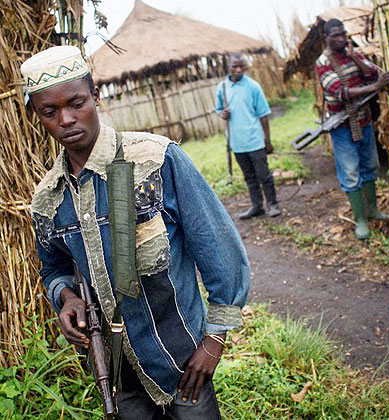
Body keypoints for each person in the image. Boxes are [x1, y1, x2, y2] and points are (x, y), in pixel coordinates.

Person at [21, 46, 250, 419]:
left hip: (184, 362)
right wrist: (65, 296)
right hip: (118, 374)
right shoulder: (48, 199)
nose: (66, 119)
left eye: (76, 103)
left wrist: (215, 339)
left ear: (95, 97)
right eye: (50, 112)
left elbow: (217, 248)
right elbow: (53, 268)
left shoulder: (154, 160)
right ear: (38, 117)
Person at [316, 19, 389, 239]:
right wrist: (374, 87)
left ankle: (372, 210)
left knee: (370, 165)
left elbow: (373, 73)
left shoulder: (353, 54)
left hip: (363, 121)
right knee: (350, 172)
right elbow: (341, 92)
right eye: (335, 36)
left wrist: (354, 59)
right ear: (326, 38)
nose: (341, 39)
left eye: (343, 34)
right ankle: (360, 220)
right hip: (342, 125)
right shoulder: (323, 62)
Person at [215, 52, 280, 220]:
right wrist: (223, 114)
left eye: (241, 66)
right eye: (234, 66)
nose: (238, 69)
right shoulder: (222, 88)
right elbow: (219, 110)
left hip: (254, 140)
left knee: (264, 175)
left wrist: (267, 140)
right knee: (249, 177)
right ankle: (257, 206)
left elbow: (263, 115)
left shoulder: (253, 86)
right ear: (228, 67)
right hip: (236, 142)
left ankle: (272, 204)